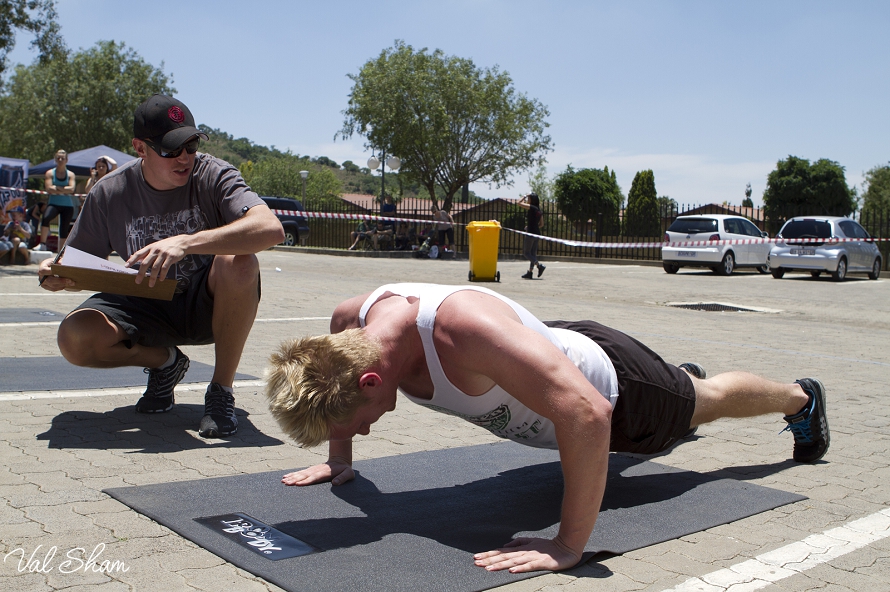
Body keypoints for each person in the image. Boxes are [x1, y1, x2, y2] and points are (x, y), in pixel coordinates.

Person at [265, 283, 830, 574]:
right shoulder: (347, 326)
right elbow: (333, 384)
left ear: (370, 381)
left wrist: (567, 546)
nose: (361, 432)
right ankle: (679, 377)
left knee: (703, 403)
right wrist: (340, 459)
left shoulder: (459, 333)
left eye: (354, 426)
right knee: (673, 392)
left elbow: (588, 416)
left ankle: (801, 399)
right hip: (543, 358)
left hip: (617, 390)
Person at [37, 94, 284, 438]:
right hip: (143, 301)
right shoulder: (109, 192)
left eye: (191, 144)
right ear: (140, 148)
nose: (184, 157)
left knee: (240, 262)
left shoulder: (213, 173)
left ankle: (220, 391)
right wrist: (58, 274)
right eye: (170, 149)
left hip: (205, 305)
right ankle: (166, 363)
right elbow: (78, 265)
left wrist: (185, 242)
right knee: (74, 337)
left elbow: (270, 228)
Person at [35, 150, 77, 252]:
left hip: (67, 205)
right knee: (46, 217)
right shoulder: (50, 173)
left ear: (66, 160)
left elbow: (72, 189)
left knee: (64, 228)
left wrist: (57, 188)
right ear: (55, 159)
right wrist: (64, 189)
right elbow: (49, 188)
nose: (60, 160)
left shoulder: (71, 174)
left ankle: (61, 251)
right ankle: (42, 244)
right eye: (58, 158)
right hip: (54, 203)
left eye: (62, 158)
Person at [517, 193, 545, 279]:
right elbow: (542, 224)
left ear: (532, 200)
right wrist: (531, 226)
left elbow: (518, 203)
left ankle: (539, 266)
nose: (527, 200)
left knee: (526, 253)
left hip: (531, 234)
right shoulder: (539, 210)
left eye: (529, 198)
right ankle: (530, 272)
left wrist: (524, 196)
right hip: (537, 234)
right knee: (532, 254)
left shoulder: (532, 207)